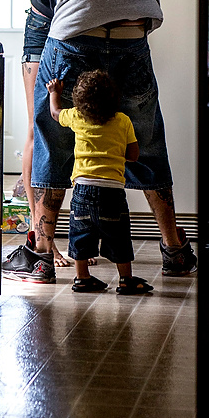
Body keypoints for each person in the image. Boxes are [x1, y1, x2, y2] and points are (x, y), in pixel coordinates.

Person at [3, 0, 196, 283]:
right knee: (146, 143)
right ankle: (174, 249)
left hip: (72, 40)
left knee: (55, 139)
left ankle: (45, 254)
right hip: (132, 41)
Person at [46, 71, 154, 295]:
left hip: (82, 189)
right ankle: (126, 279)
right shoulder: (122, 120)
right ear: (115, 97)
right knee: (119, 236)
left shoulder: (76, 116)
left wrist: (54, 93)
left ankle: (82, 278)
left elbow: (55, 113)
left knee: (80, 234)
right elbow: (133, 155)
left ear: (79, 100)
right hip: (112, 191)